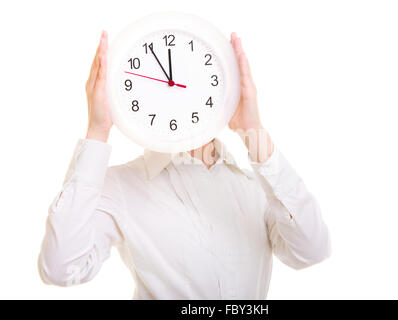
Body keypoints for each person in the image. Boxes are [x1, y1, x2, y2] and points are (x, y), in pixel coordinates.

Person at [38, 30, 331, 299]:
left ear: (221, 89)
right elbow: (60, 269)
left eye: (191, 81)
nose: (177, 92)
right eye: (165, 85)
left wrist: (253, 129)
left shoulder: (257, 188)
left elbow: (311, 250)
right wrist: (97, 131)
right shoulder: (120, 186)